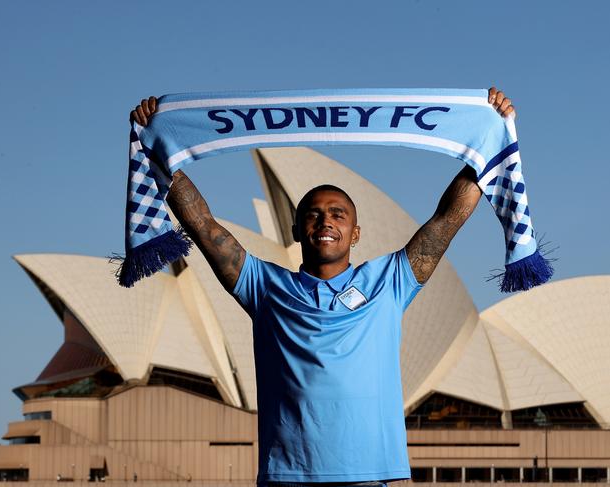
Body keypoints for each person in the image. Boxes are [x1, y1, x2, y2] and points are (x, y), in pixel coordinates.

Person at [131, 88, 515, 487]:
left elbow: (445, 222)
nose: (325, 222)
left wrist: (488, 142)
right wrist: (161, 150)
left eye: (338, 214)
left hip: (372, 477)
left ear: (356, 232)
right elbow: (205, 228)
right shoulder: (265, 287)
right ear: (297, 230)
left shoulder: (389, 281)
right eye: (312, 215)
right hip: (288, 477)